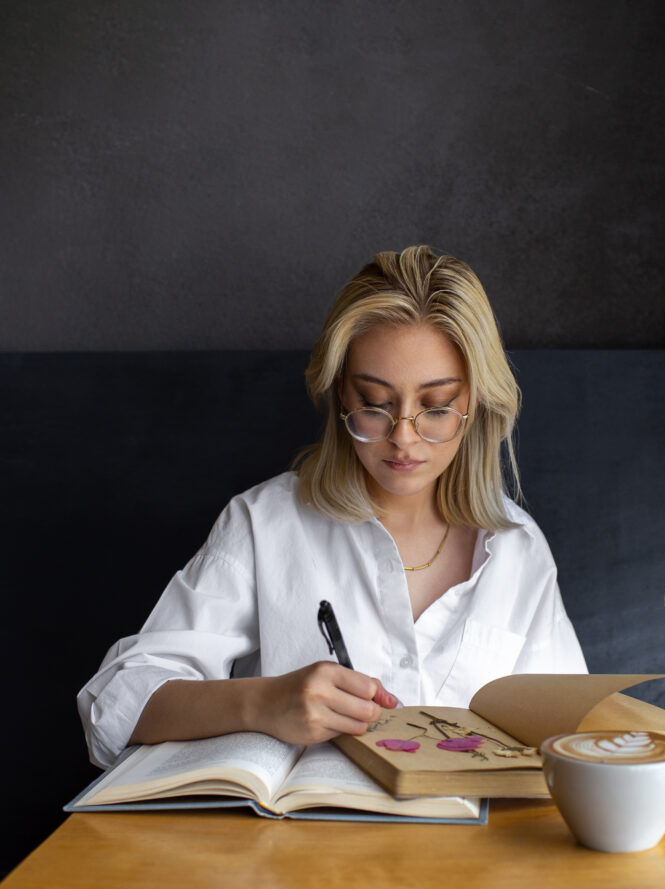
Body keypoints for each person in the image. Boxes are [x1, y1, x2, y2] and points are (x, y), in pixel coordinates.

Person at [78, 245, 586, 769]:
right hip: (300, 842)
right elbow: (114, 704)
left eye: (435, 408)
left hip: (466, 844)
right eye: (374, 404)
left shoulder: (518, 550)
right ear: (341, 391)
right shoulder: (265, 523)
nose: (403, 439)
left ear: (473, 402)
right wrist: (262, 702)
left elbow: (570, 741)